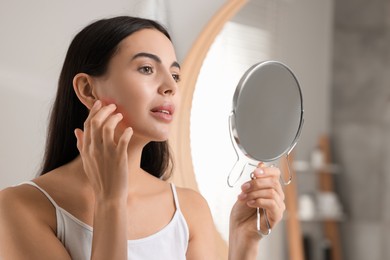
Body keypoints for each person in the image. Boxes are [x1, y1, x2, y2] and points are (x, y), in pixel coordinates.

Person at [0, 16, 285, 259]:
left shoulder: (189, 210)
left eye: (175, 75)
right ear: (87, 89)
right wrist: (110, 201)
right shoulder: (19, 207)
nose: (169, 87)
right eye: (147, 69)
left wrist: (244, 243)